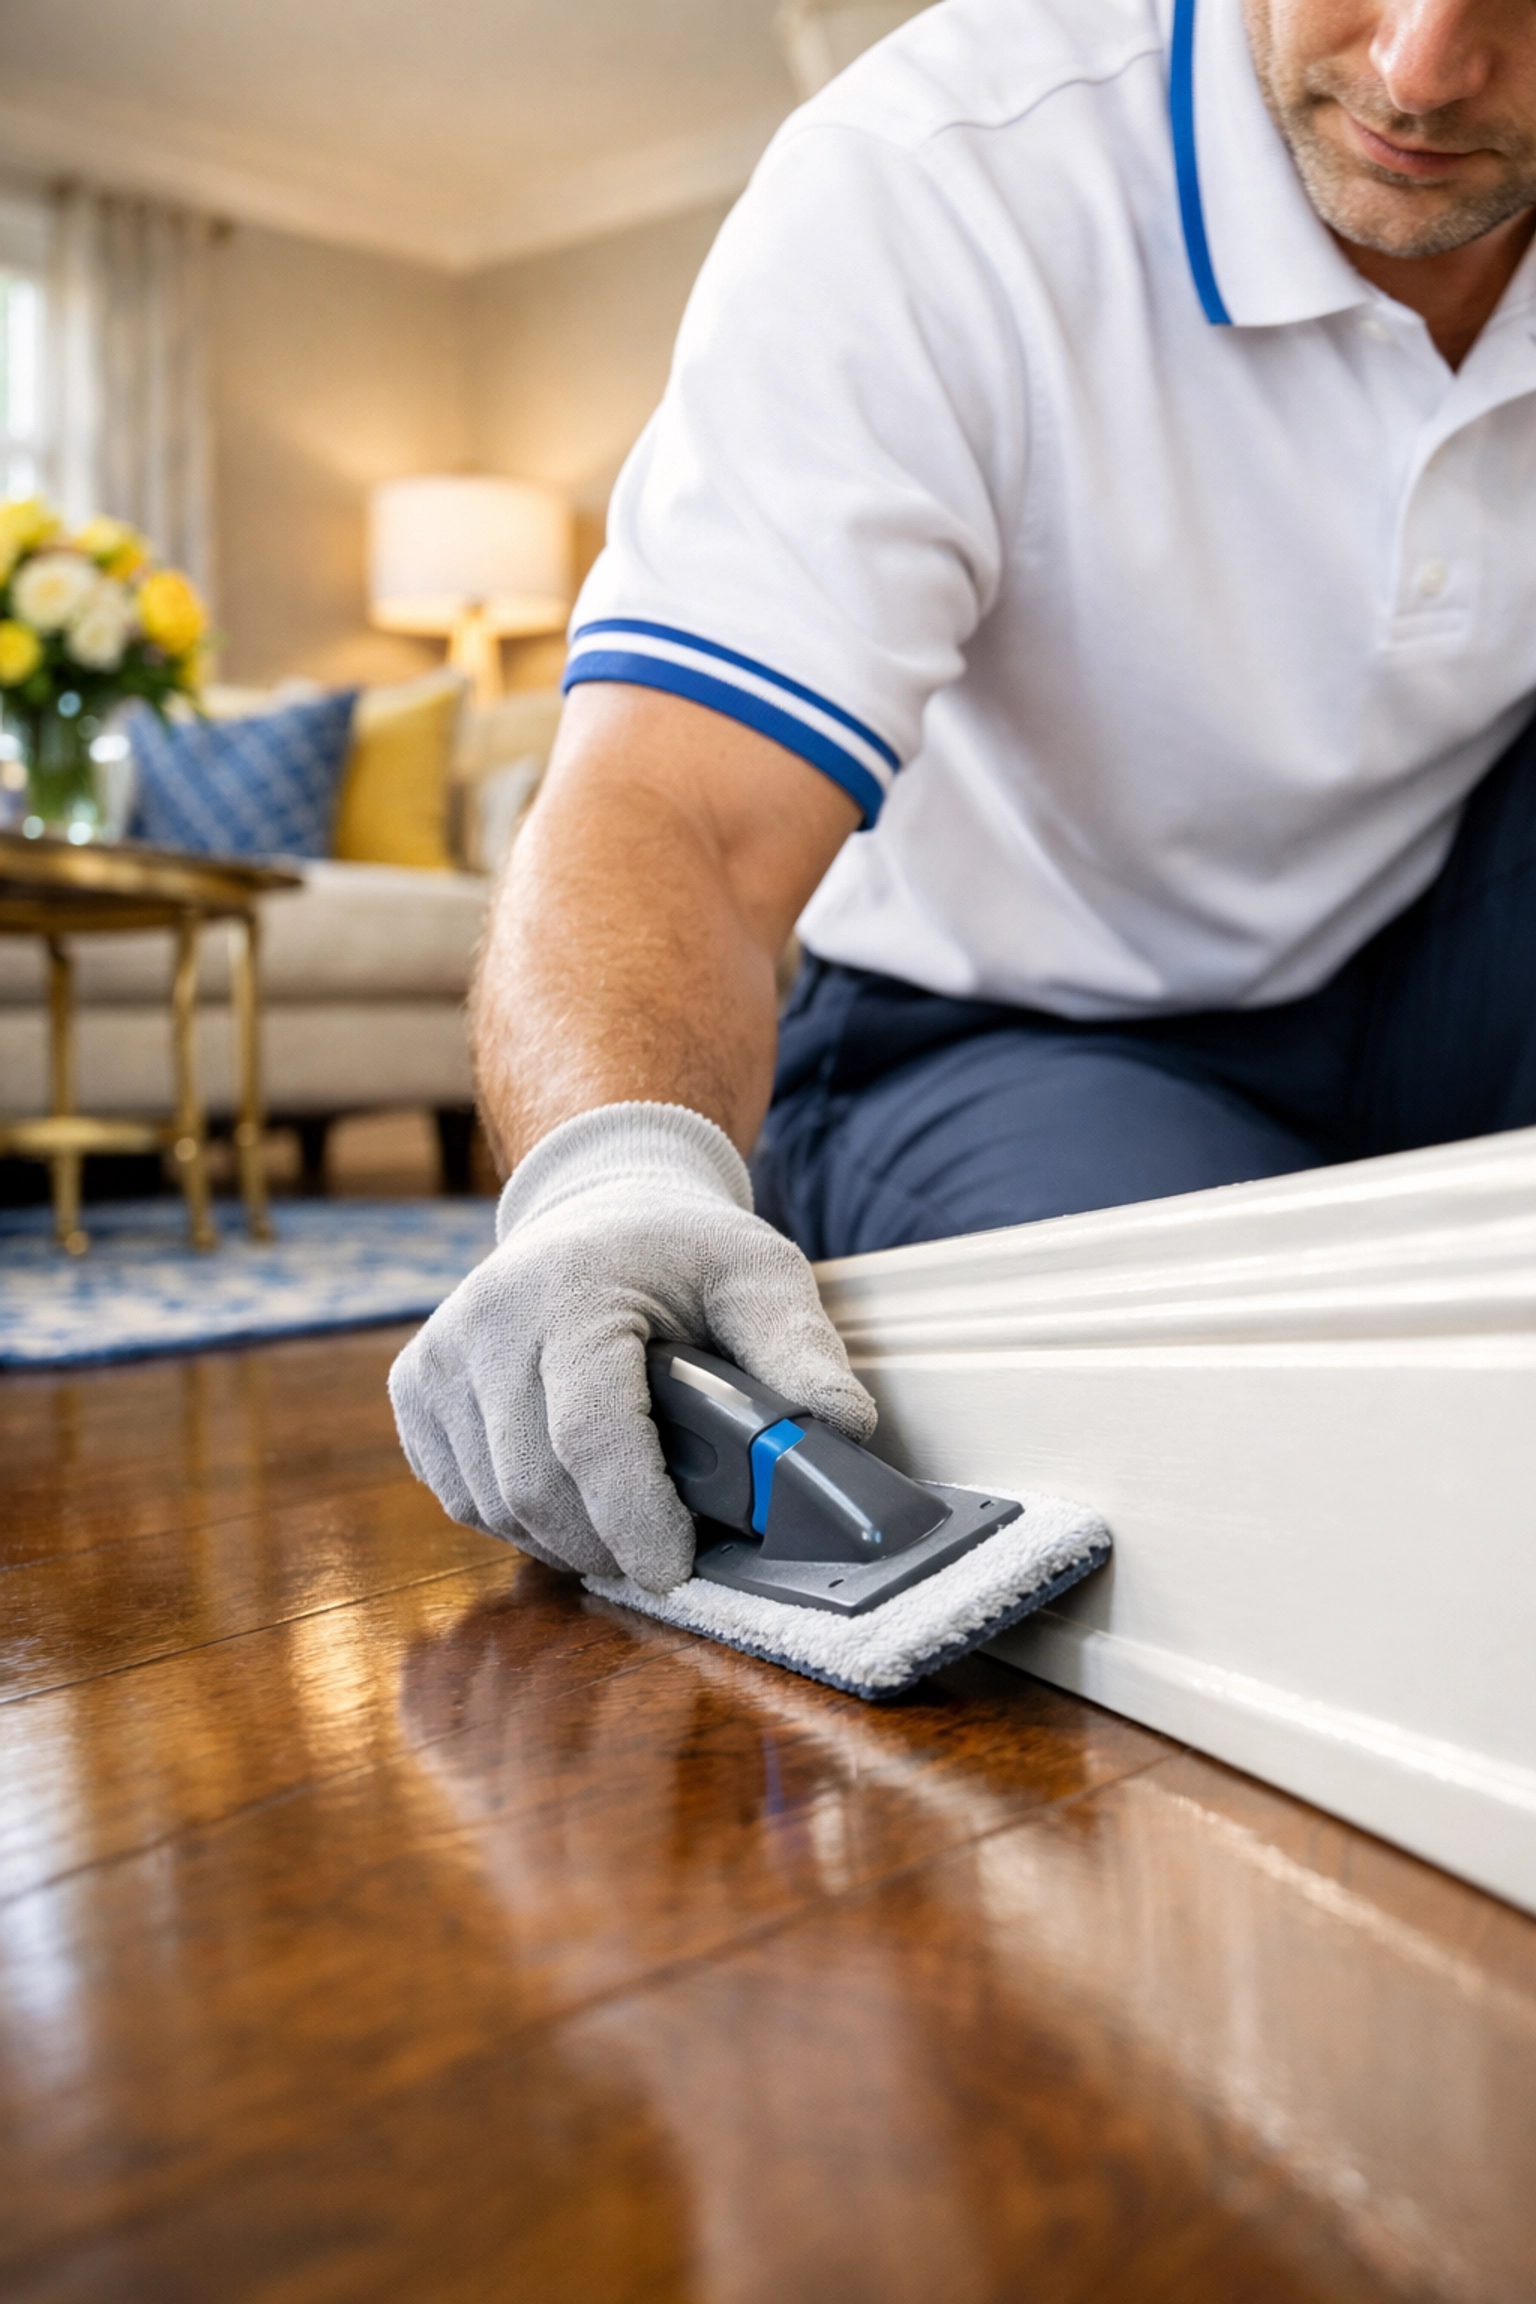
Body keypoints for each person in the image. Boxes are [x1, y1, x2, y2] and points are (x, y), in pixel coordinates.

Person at [392, 0, 1536, 1592]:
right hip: (1009, 1019)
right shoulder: (940, 181)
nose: (1421, 67)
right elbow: (680, 807)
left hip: (1430, 956)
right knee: (1273, 1475)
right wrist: (608, 1185)